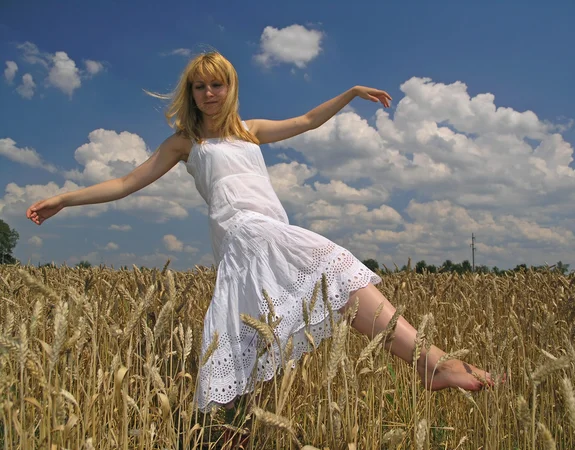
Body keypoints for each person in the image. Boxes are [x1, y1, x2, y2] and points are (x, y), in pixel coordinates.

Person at [26, 51, 491, 443]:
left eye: (218, 84)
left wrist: (349, 94)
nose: (209, 93)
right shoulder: (185, 143)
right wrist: (65, 198)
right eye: (200, 87)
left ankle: (428, 363)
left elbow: (307, 121)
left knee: (260, 344)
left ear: (231, 88)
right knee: (332, 268)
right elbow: (128, 182)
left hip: (270, 233)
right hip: (243, 237)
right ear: (190, 94)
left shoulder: (251, 130)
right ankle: (431, 362)